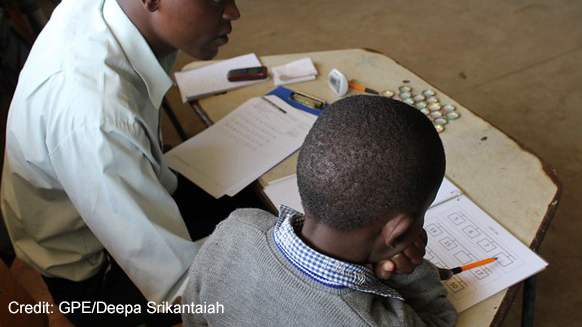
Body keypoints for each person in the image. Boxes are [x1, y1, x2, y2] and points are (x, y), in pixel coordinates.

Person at [0, 0, 249, 325]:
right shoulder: (96, 118)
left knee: (256, 203)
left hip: (130, 179)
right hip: (93, 277)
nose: (234, 12)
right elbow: (177, 287)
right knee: (273, 253)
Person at [183, 95, 459, 327]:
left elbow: (193, 315)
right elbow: (440, 318)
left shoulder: (238, 227)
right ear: (397, 232)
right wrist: (410, 272)